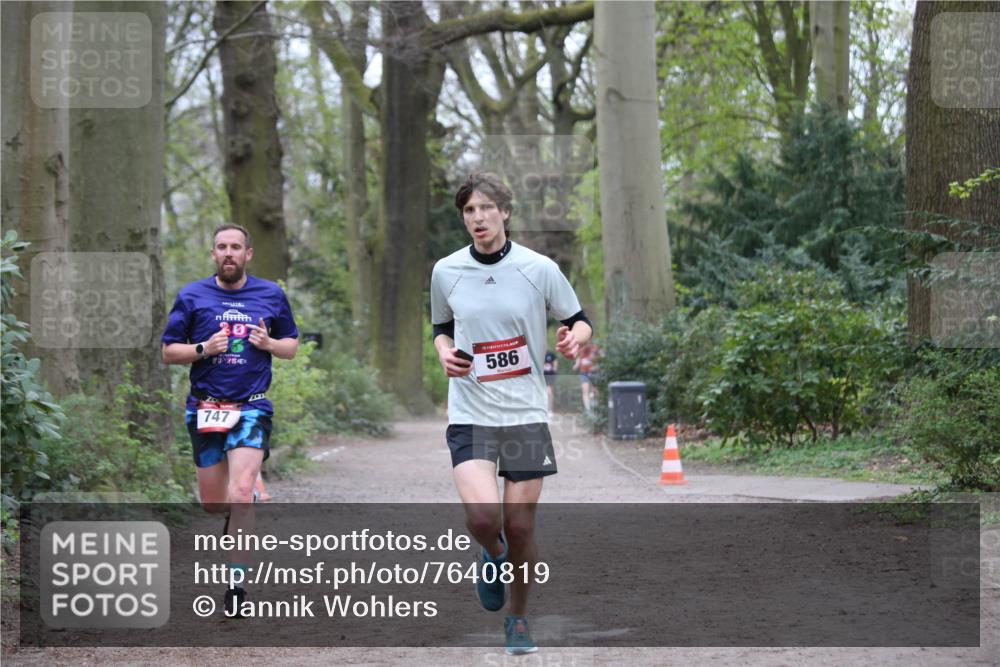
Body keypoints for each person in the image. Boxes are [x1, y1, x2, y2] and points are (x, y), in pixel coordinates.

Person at [430, 173, 592, 655]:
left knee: (521, 526)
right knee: (484, 517)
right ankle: (492, 553)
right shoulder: (447, 271)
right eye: (468, 211)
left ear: (505, 210)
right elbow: (441, 327)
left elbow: (578, 321)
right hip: (471, 412)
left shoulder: (537, 268)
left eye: (485, 208)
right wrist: (443, 351)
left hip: (524, 414)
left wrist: (572, 340)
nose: (477, 218)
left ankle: (518, 620)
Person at [161, 223, 299, 616]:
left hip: (252, 406)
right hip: (204, 406)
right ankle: (240, 507)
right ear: (213, 254)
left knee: (240, 495)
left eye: (236, 247)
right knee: (212, 504)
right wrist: (204, 348)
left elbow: (290, 346)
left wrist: (269, 343)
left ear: (248, 254)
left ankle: (236, 586)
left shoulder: (271, 294)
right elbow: (169, 351)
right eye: (221, 247)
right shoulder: (192, 295)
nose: (228, 253)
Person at [574, 341, 599, 411]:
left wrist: (597, 366)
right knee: (585, 391)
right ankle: (588, 410)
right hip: (584, 373)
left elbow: (601, 358)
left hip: (594, 372)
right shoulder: (580, 348)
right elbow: (579, 358)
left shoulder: (595, 347)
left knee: (595, 391)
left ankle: (596, 407)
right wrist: (576, 365)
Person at [543, 348, 558, 413]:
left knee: (549, 392)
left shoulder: (550, 354)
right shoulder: (538, 353)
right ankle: (545, 409)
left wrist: (555, 368)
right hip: (542, 377)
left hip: (550, 375)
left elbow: (555, 360)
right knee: (544, 392)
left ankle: (550, 409)